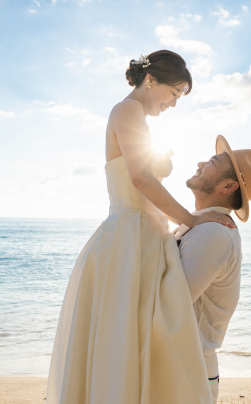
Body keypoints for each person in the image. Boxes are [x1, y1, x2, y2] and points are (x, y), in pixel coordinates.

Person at [47, 50, 233, 404]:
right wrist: (191, 220)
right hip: (128, 239)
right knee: (123, 341)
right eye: (175, 93)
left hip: (145, 237)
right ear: (152, 80)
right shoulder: (127, 110)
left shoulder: (138, 118)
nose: (174, 104)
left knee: (140, 337)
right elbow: (142, 179)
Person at [173, 135, 251, 404]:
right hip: (181, 363)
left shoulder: (213, 233)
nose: (201, 162)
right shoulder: (199, 225)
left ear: (228, 185)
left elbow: (172, 301)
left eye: (212, 161)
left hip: (188, 371)